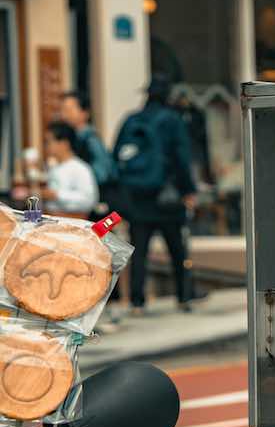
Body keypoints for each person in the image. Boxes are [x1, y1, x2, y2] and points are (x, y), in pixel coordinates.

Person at [114, 74, 198, 313]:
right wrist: (188, 190)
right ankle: (184, 296)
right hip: (167, 198)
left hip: (138, 197)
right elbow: (182, 158)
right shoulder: (172, 120)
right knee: (176, 248)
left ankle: (137, 302)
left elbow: (117, 158)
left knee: (139, 250)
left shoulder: (131, 120)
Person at [41, 122, 98, 219]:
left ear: (64, 144)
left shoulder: (80, 168)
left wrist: (57, 195)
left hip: (71, 221)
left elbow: (89, 200)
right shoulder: (52, 166)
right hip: (50, 218)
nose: (46, 146)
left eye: (49, 141)